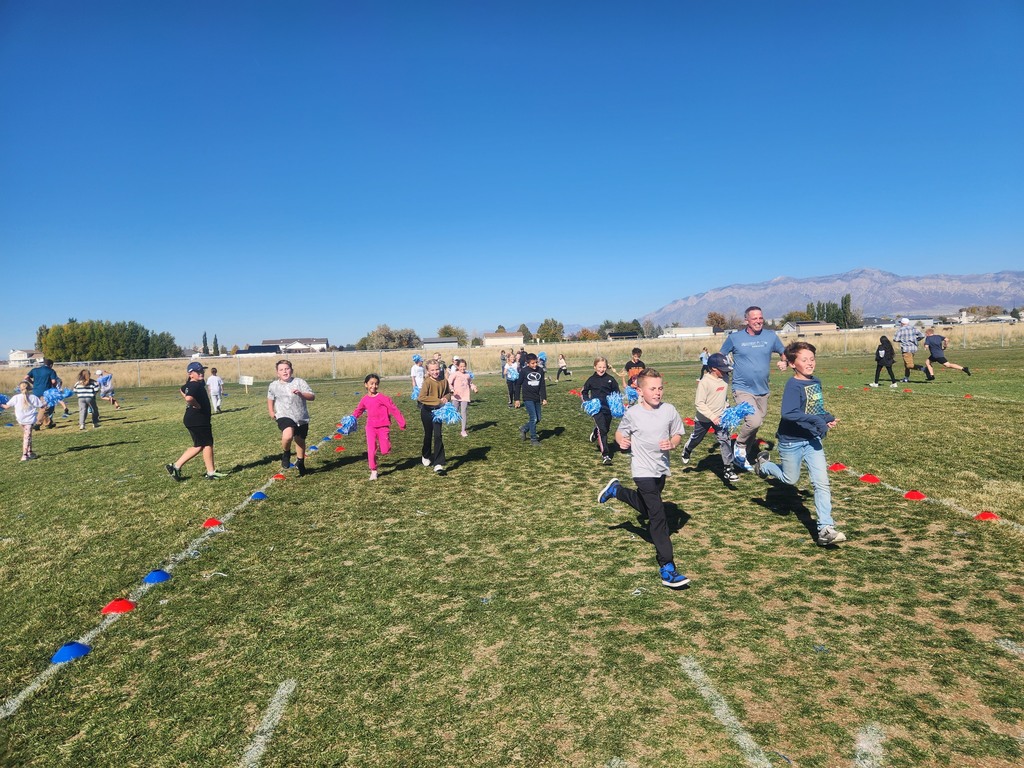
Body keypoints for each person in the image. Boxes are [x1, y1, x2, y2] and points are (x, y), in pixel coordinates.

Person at [597, 368, 690, 589]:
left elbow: (678, 433)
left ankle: (617, 491)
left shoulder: (669, 410)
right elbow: (621, 433)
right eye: (652, 389)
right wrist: (622, 442)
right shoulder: (633, 413)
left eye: (660, 388)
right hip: (641, 469)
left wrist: (673, 443)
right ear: (640, 390)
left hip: (660, 470)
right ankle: (667, 567)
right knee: (657, 516)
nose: (657, 392)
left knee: (649, 508)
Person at [753, 342, 847, 547]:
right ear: (793, 364)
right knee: (790, 478)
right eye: (804, 359)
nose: (810, 362)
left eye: (812, 358)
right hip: (791, 441)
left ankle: (825, 529)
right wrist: (816, 421)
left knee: (821, 483)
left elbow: (815, 409)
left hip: (812, 440)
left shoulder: (816, 382)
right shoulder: (793, 385)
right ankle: (764, 465)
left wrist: (827, 417)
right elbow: (789, 413)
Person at [719, 306, 787, 472]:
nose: (758, 321)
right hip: (742, 388)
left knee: (757, 423)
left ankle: (742, 457)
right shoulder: (734, 338)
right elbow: (720, 356)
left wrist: (784, 361)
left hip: (762, 390)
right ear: (746, 321)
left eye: (760, 318)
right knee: (754, 420)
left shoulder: (770, 336)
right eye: (754, 318)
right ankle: (740, 445)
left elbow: (783, 351)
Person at [680, 353, 737, 481]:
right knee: (696, 438)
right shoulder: (705, 382)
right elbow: (699, 403)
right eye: (723, 369)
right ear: (713, 369)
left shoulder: (725, 378)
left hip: (721, 417)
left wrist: (726, 407)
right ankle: (687, 449)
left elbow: (722, 396)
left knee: (725, 440)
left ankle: (728, 469)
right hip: (704, 419)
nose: (726, 371)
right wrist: (712, 416)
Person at [165, 362, 225, 481]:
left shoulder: (191, 384)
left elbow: (182, 389)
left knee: (199, 445)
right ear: (191, 374)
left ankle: (175, 467)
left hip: (193, 419)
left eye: (202, 371)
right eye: (198, 371)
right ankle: (210, 472)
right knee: (206, 444)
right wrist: (196, 405)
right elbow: (189, 398)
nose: (201, 373)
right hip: (198, 419)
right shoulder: (194, 385)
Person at [352, 373, 406, 481]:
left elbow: (393, 409)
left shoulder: (383, 398)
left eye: (376, 384)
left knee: (385, 450)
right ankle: (373, 470)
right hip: (370, 427)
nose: (374, 386)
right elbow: (359, 410)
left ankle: (383, 450)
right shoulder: (364, 399)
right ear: (366, 385)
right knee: (371, 449)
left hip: (383, 427)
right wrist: (352, 419)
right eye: (371, 383)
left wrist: (401, 422)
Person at [267, 359, 315, 476]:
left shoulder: (299, 382)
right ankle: (286, 453)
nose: (284, 371)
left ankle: (300, 462)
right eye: (281, 370)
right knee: (288, 435)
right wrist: (271, 410)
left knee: (300, 440)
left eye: (287, 369)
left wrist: (301, 394)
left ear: (291, 370)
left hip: (300, 416)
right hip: (284, 415)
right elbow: (270, 398)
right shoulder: (273, 385)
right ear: (277, 373)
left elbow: (312, 396)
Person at [581, 356, 620, 465]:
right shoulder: (591, 380)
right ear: (595, 367)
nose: (601, 369)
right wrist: (588, 402)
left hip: (608, 409)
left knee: (605, 428)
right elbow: (584, 392)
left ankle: (595, 432)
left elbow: (616, 392)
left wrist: (616, 403)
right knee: (603, 430)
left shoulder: (610, 379)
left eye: (603, 367)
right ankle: (606, 455)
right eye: (599, 367)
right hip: (597, 409)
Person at [417, 360, 452, 474]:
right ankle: (426, 454)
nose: (435, 372)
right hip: (427, 412)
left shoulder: (444, 380)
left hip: (439, 412)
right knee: (428, 435)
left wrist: (446, 398)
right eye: (432, 370)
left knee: (438, 435)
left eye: (437, 369)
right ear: (428, 371)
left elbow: (448, 393)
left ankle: (438, 463)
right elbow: (421, 397)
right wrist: (437, 401)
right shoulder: (427, 382)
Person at [2, 381, 44, 460]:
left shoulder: (16, 397)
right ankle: (24, 455)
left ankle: (30, 452)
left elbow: (6, 406)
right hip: (29, 420)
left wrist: (0, 404)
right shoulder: (33, 397)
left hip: (20, 420)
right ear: (29, 388)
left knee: (28, 436)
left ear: (19, 388)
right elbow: (42, 406)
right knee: (27, 437)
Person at [513, 352, 547, 445]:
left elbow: (542, 385)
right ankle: (533, 439)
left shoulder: (540, 370)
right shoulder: (524, 371)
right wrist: (517, 399)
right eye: (532, 363)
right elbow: (518, 384)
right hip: (528, 398)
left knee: (538, 418)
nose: (535, 364)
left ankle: (524, 428)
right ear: (528, 363)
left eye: (536, 362)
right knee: (534, 418)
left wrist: (544, 398)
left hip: (537, 398)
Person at [447, 358, 478, 437]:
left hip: (465, 396)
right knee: (455, 410)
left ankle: (463, 430)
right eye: (461, 366)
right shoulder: (455, 374)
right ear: (458, 367)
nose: (462, 368)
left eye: (464, 366)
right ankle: (450, 418)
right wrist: (452, 390)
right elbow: (449, 383)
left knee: (463, 412)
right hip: (456, 396)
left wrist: (474, 388)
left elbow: (470, 383)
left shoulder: (468, 375)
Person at [28, 358, 58, 429]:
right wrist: (54, 388)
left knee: (44, 407)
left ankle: (47, 423)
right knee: (44, 408)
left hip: (35, 391)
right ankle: (37, 424)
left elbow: (26, 377)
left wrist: (33, 383)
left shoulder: (34, 370)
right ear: (50, 365)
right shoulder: (51, 371)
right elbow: (53, 381)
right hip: (45, 392)